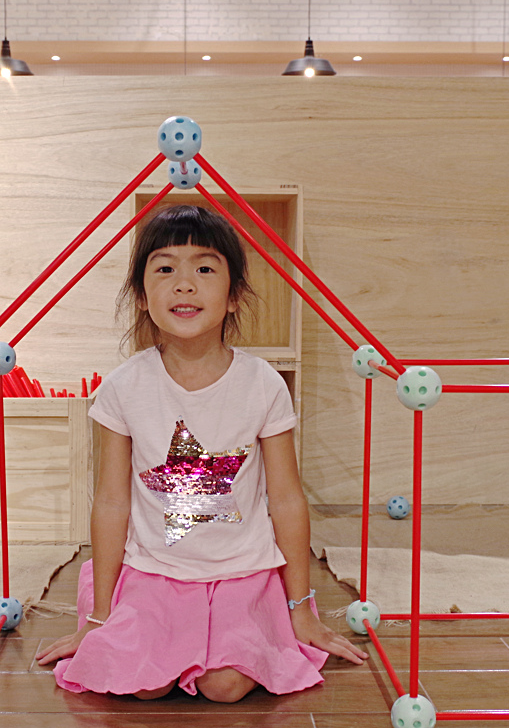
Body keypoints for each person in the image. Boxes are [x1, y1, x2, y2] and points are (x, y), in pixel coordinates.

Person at [35, 203, 366, 702]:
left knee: (226, 685)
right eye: (165, 269)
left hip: (242, 572)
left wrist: (300, 609)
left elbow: (287, 500)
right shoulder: (124, 387)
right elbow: (111, 502)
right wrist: (99, 618)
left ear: (233, 297)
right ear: (142, 296)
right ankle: (124, 610)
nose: (184, 285)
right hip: (155, 572)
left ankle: (253, 623)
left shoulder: (263, 384)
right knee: (146, 685)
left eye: (205, 269)